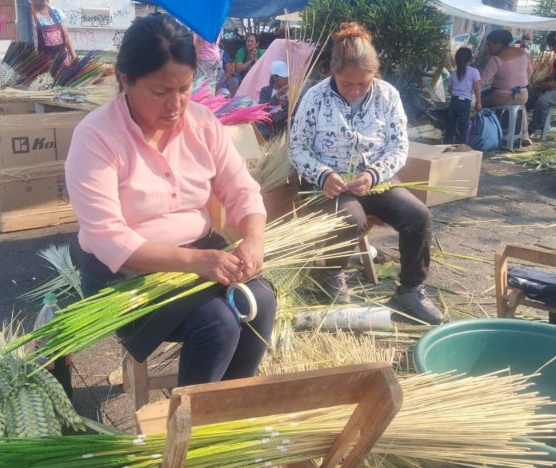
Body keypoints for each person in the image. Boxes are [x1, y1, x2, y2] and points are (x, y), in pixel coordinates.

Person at [65, 14, 276, 387]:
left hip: (201, 250)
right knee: (217, 323)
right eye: (161, 92)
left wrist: (254, 240)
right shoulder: (96, 137)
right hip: (127, 272)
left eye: (184, 88)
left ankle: (228, 405)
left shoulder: (202, 123)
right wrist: (197, 262)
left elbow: (242, 189)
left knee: (260, 301)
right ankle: (188, 417)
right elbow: (106, 237)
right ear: (126, 80)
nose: (175, 104)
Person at [289, 22, 442, 325]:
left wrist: (373, 174)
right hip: (328, 186)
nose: (356, 90)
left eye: (364, 83)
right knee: (351, 218)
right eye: (348, 84)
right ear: (333, 71)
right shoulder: (315, 98)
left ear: (375, 73)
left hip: (376, 181)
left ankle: (410, 289)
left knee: (418, 216)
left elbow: (399, 146)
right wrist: (322, 175)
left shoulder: (387, 95)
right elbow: (297, 148)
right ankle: (331, 276)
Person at [480, 29, 533, 145]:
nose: (488, 48)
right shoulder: (523, 53)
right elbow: (530, 72)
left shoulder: (496, 59)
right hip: (522, 94)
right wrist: (519, 84)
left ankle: (488, 132)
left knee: (481, 100)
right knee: (521, 106)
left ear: (499, 44)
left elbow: (482, 81)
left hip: (501, 96)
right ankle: (525, 135)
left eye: (490, 45)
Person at [445, 47, 481, 145]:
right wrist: (478, 102)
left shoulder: (453, 73)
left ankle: (446, 145)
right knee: (463, 126)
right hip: (465, 102)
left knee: (450, 126)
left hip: (454, 101)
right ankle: (461, 146)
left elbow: (449, 89)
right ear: (470, 59)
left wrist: (456, 94)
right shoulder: (474, 72)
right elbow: (477, 88)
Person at [257, 60, 290, 139]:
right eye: (284, 78)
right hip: (269, 125)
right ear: (275, 78)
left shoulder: (292, 91)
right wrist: (277, 95)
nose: (287, 80)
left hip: (285, 124)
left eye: (288, 77)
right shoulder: (266, 91)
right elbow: (262, 110)